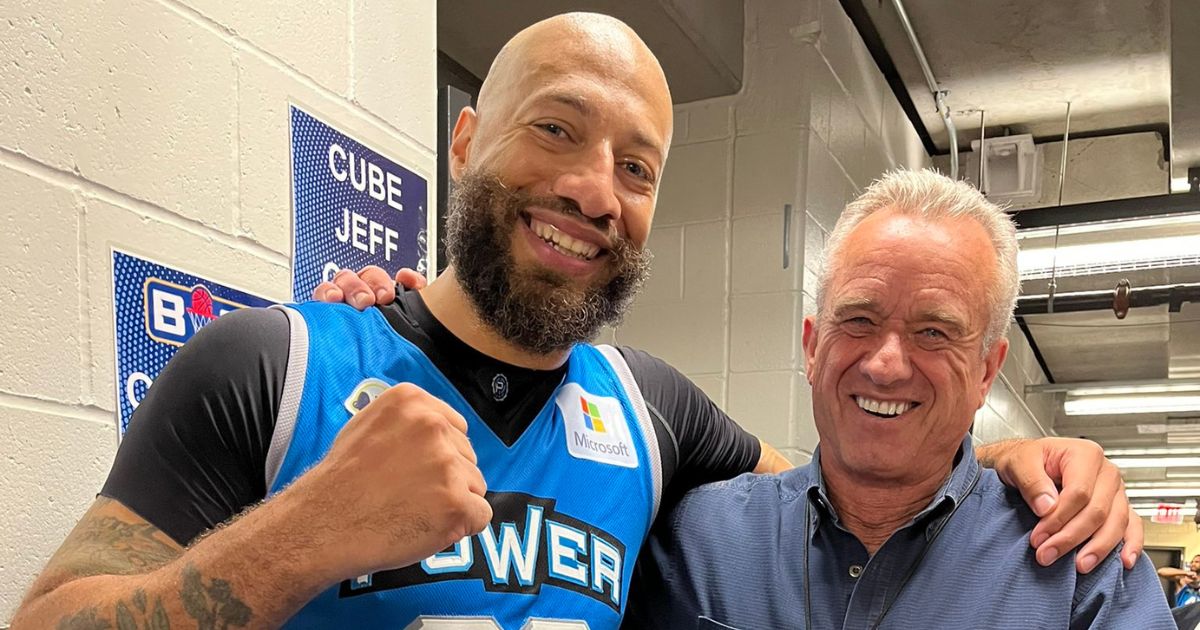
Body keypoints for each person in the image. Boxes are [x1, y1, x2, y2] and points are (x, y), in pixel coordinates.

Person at [14, 13, 1137, 630]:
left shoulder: (650, 412)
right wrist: (307, 536)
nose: (596, 190)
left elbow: (858, 480)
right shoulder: (270, 363)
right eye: (556, 130)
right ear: (464, 144)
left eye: (636, 166)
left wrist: (1010, 460)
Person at [619, 169, 1175, 629]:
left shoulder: (1081, 566)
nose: (886, 364)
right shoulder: (695, 542)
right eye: (859, 320)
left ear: (986, 370)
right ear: (812, 347)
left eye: (933, 332)